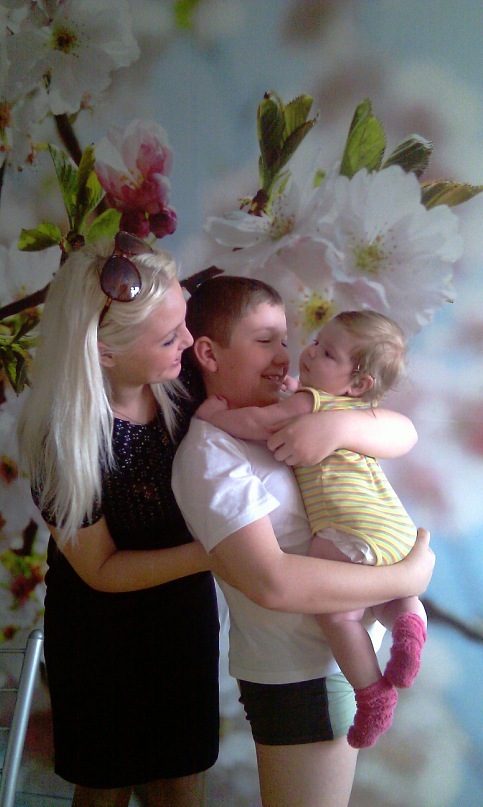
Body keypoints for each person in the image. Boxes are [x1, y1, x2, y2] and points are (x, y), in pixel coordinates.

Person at [171, 276, 435, 807]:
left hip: (330, 663)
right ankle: (400, 627)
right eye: (264, 340)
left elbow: (402, 430)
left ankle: (403, 623)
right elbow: (272, 583)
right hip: (301, 674)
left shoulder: (298, 409)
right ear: (209, 354)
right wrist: (405, 578)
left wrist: (337, 429)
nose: (285, 355)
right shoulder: (211, 452)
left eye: (286, 340)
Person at [17, 233, 220, 807]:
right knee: (104, 787)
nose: (189, 340)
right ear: (104, 352)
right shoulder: (63, 442)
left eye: (183, 322)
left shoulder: (186, 382)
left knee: (183, 782)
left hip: (183, 621)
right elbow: (101, 569)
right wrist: (216, 552)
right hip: (100, 638)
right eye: (169, 336)